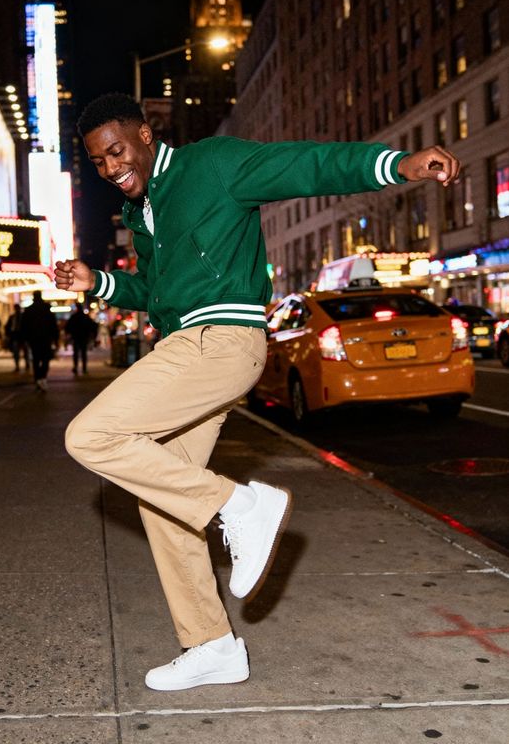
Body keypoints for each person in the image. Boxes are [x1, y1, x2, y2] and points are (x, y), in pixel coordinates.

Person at [55, 93, 460, 692]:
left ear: (144, 134)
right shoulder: (143, 214)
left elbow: (306, 165)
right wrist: (100, 282)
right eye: (98, 162)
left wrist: (396, 164)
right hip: (187, 346)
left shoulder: (211, 164)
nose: (111, 167)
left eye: (116, 151)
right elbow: (158, 295)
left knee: (90, 436)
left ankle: (242, 507)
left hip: (218, 342)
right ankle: (213, 646)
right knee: (161, 499)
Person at [20, 290, 59, 391]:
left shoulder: (29, 310)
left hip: (33, 339)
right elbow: (53, 324)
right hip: (46, 338)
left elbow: (23, 326)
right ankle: (42, 376)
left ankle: (37, 378)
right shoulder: (47, 308)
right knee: (46, 359)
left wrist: (24, 339)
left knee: (36, 359)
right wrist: (55, 339)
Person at [65, 302, 98, 375]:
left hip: (76, 337)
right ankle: (84, 368)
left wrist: (69, 334)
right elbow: (93, 326)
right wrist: (93, 335)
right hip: (84, 337)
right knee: (83, 353)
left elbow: (68, 327)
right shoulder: (85, 317)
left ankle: (76, 367)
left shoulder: (74, 317)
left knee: (76, 353)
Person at [5, 303, 29, 372]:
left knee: (25, 351)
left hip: (23, 336)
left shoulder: (24, 317)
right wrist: (9, 334)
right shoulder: (12, 317)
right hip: (15, 336)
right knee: (16, 352)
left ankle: (27, 363)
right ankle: (17, 365)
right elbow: (8, 326)